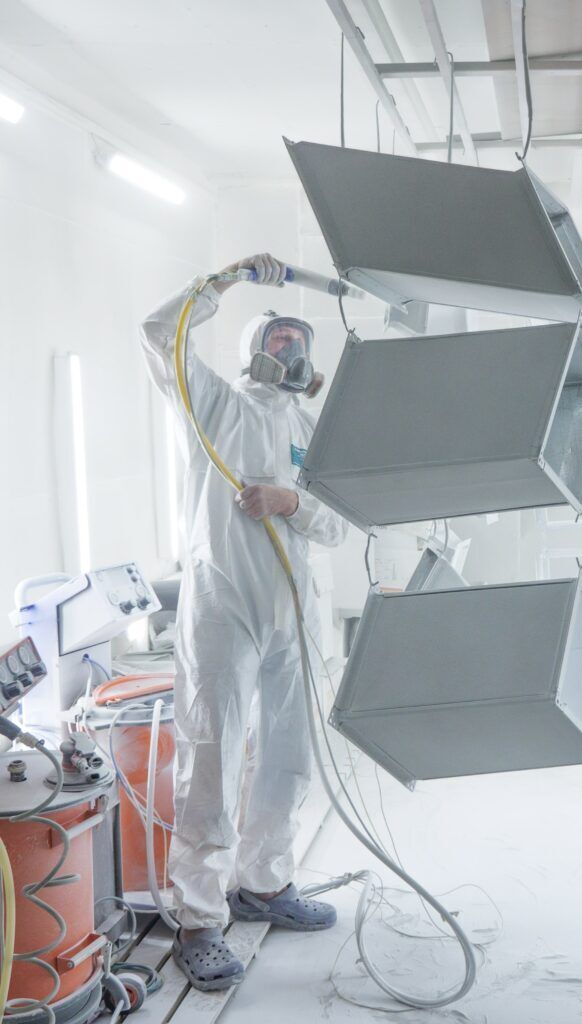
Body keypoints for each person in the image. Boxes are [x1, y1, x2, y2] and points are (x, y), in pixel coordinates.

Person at [140, 253, 349, 991]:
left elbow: (339, 526)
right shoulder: (216, 403)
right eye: (279, 337)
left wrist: (290, 501)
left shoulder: (314, 428)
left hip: (294, 614)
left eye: (300, 340)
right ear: (255, 346)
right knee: (213, 759)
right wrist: (225, 280)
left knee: (290, 759)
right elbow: (159, 330)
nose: (291, 350)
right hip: (225, 606)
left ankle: (265, 882)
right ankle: (199, 919)